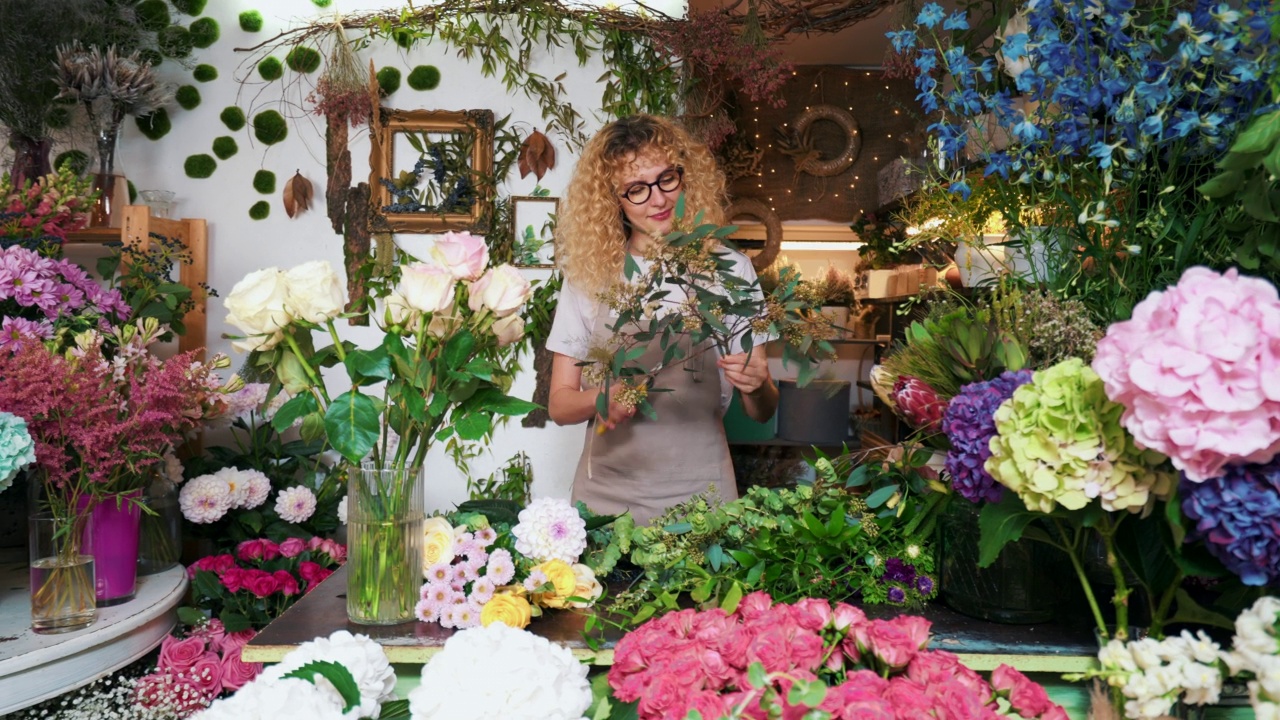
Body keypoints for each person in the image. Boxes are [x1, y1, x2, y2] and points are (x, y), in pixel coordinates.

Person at [546, 114, 778, 525]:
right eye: (636, 189)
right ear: (611, 199)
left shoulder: (732, 269)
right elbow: (560, 405)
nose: (658, 199)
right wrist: (602, 398)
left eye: (666, 178)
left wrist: (758, 384)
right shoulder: (590, 276)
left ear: (685, 176)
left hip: (704, 496)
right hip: (606, 500)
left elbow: (762, 410)